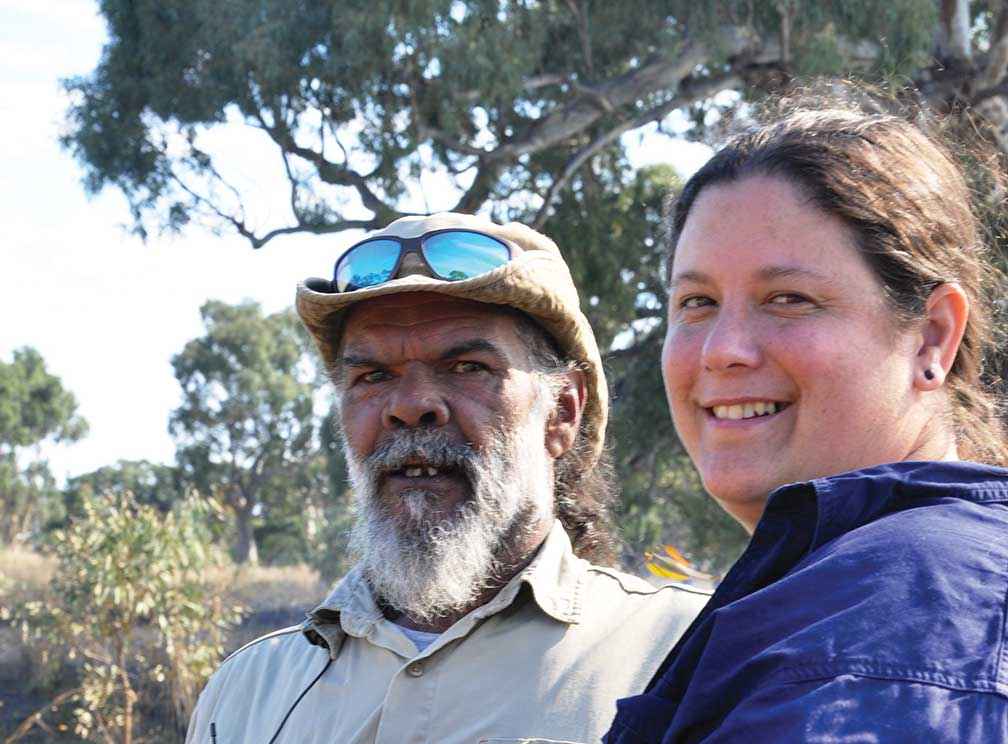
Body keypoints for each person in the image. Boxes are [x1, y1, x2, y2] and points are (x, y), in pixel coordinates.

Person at [186, 212, 708, 744]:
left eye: (468, 367)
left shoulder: (688, 656)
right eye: (373, 376)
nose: (411, 406)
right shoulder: (248, 693)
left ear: (562, 412)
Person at [605, 93, 1008, 742]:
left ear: (933, 337)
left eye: (788, 299)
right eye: (697, 302)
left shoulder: (898, 625)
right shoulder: (836, 591)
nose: (722, 350)